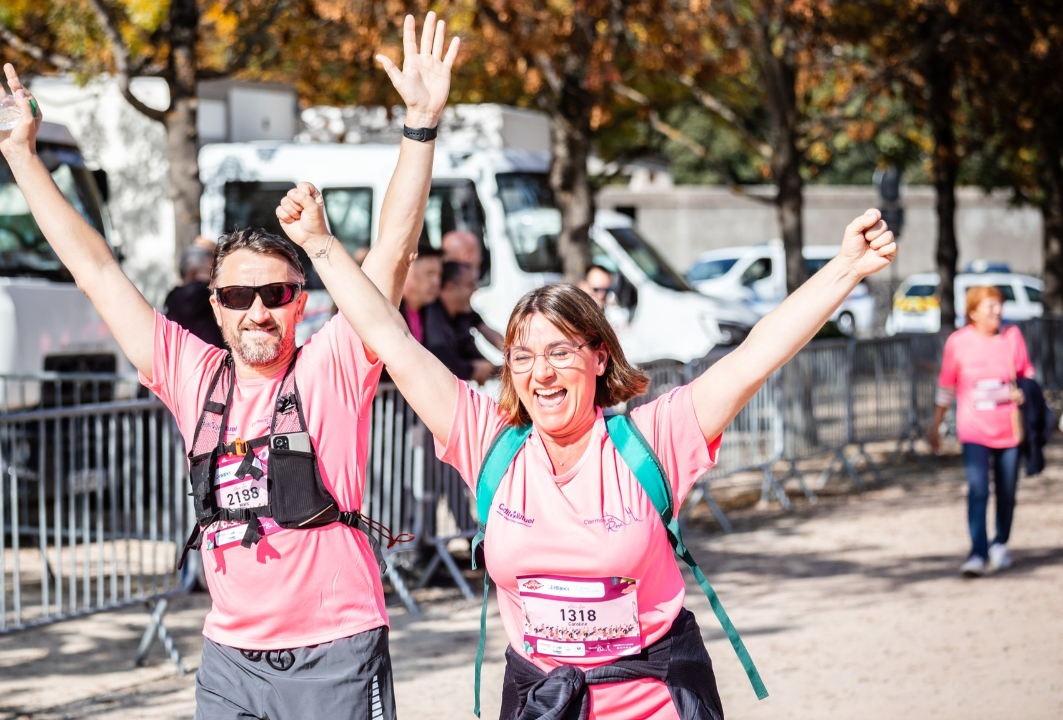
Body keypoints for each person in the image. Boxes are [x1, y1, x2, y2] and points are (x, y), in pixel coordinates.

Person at [0, 12, 459, 719]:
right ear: (217, 303)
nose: (257, 311)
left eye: (275, 294)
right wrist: (22, 156)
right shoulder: (192, 373)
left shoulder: (331, 365)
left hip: (337, 651)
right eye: (238, 295)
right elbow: (97, 271)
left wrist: (419, 126)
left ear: (301, 305)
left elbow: (391, 252)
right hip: (229, 662)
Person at [275, 185, 896, 720]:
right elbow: (388, 334)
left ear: (599, 358)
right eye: (522, 356)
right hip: (541, 700)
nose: (540, 374)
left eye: (559, 352)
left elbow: (757, 354)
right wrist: (321, 245)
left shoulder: (654, 439)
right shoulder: (486, 441)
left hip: (653, 699)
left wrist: (846, 267)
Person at [928, 286, 1034, 577]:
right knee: (978, 489)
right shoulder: (958, 342)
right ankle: (977, 552)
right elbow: (946, 387)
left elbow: (1027, 377)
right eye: (990, 306)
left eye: (999, 305)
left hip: (1009, 428)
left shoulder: (1012, 338)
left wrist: (1024, 393)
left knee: (1007, 490)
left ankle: (999, 543)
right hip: (973, 429)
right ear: (973, 312)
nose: (997, 311)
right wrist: (935, 425)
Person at [424, 261, 498, 383]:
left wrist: (512, 352)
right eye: (470, 285)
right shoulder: (433, 312)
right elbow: (443, 360)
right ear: (450, 287)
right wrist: (473, 369)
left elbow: (487, 332)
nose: (475, 289)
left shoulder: (463, 312)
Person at [163, 244, 224, 347]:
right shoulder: (198, 292)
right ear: (192, 273)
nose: (212, 277)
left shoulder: (172, 296)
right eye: (209, 272)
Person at [400, 242, 442, 343]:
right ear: (408, 272)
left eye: (439, 275)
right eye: (429, 274)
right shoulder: (392, 308)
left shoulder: (432, 309)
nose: (436, 282)